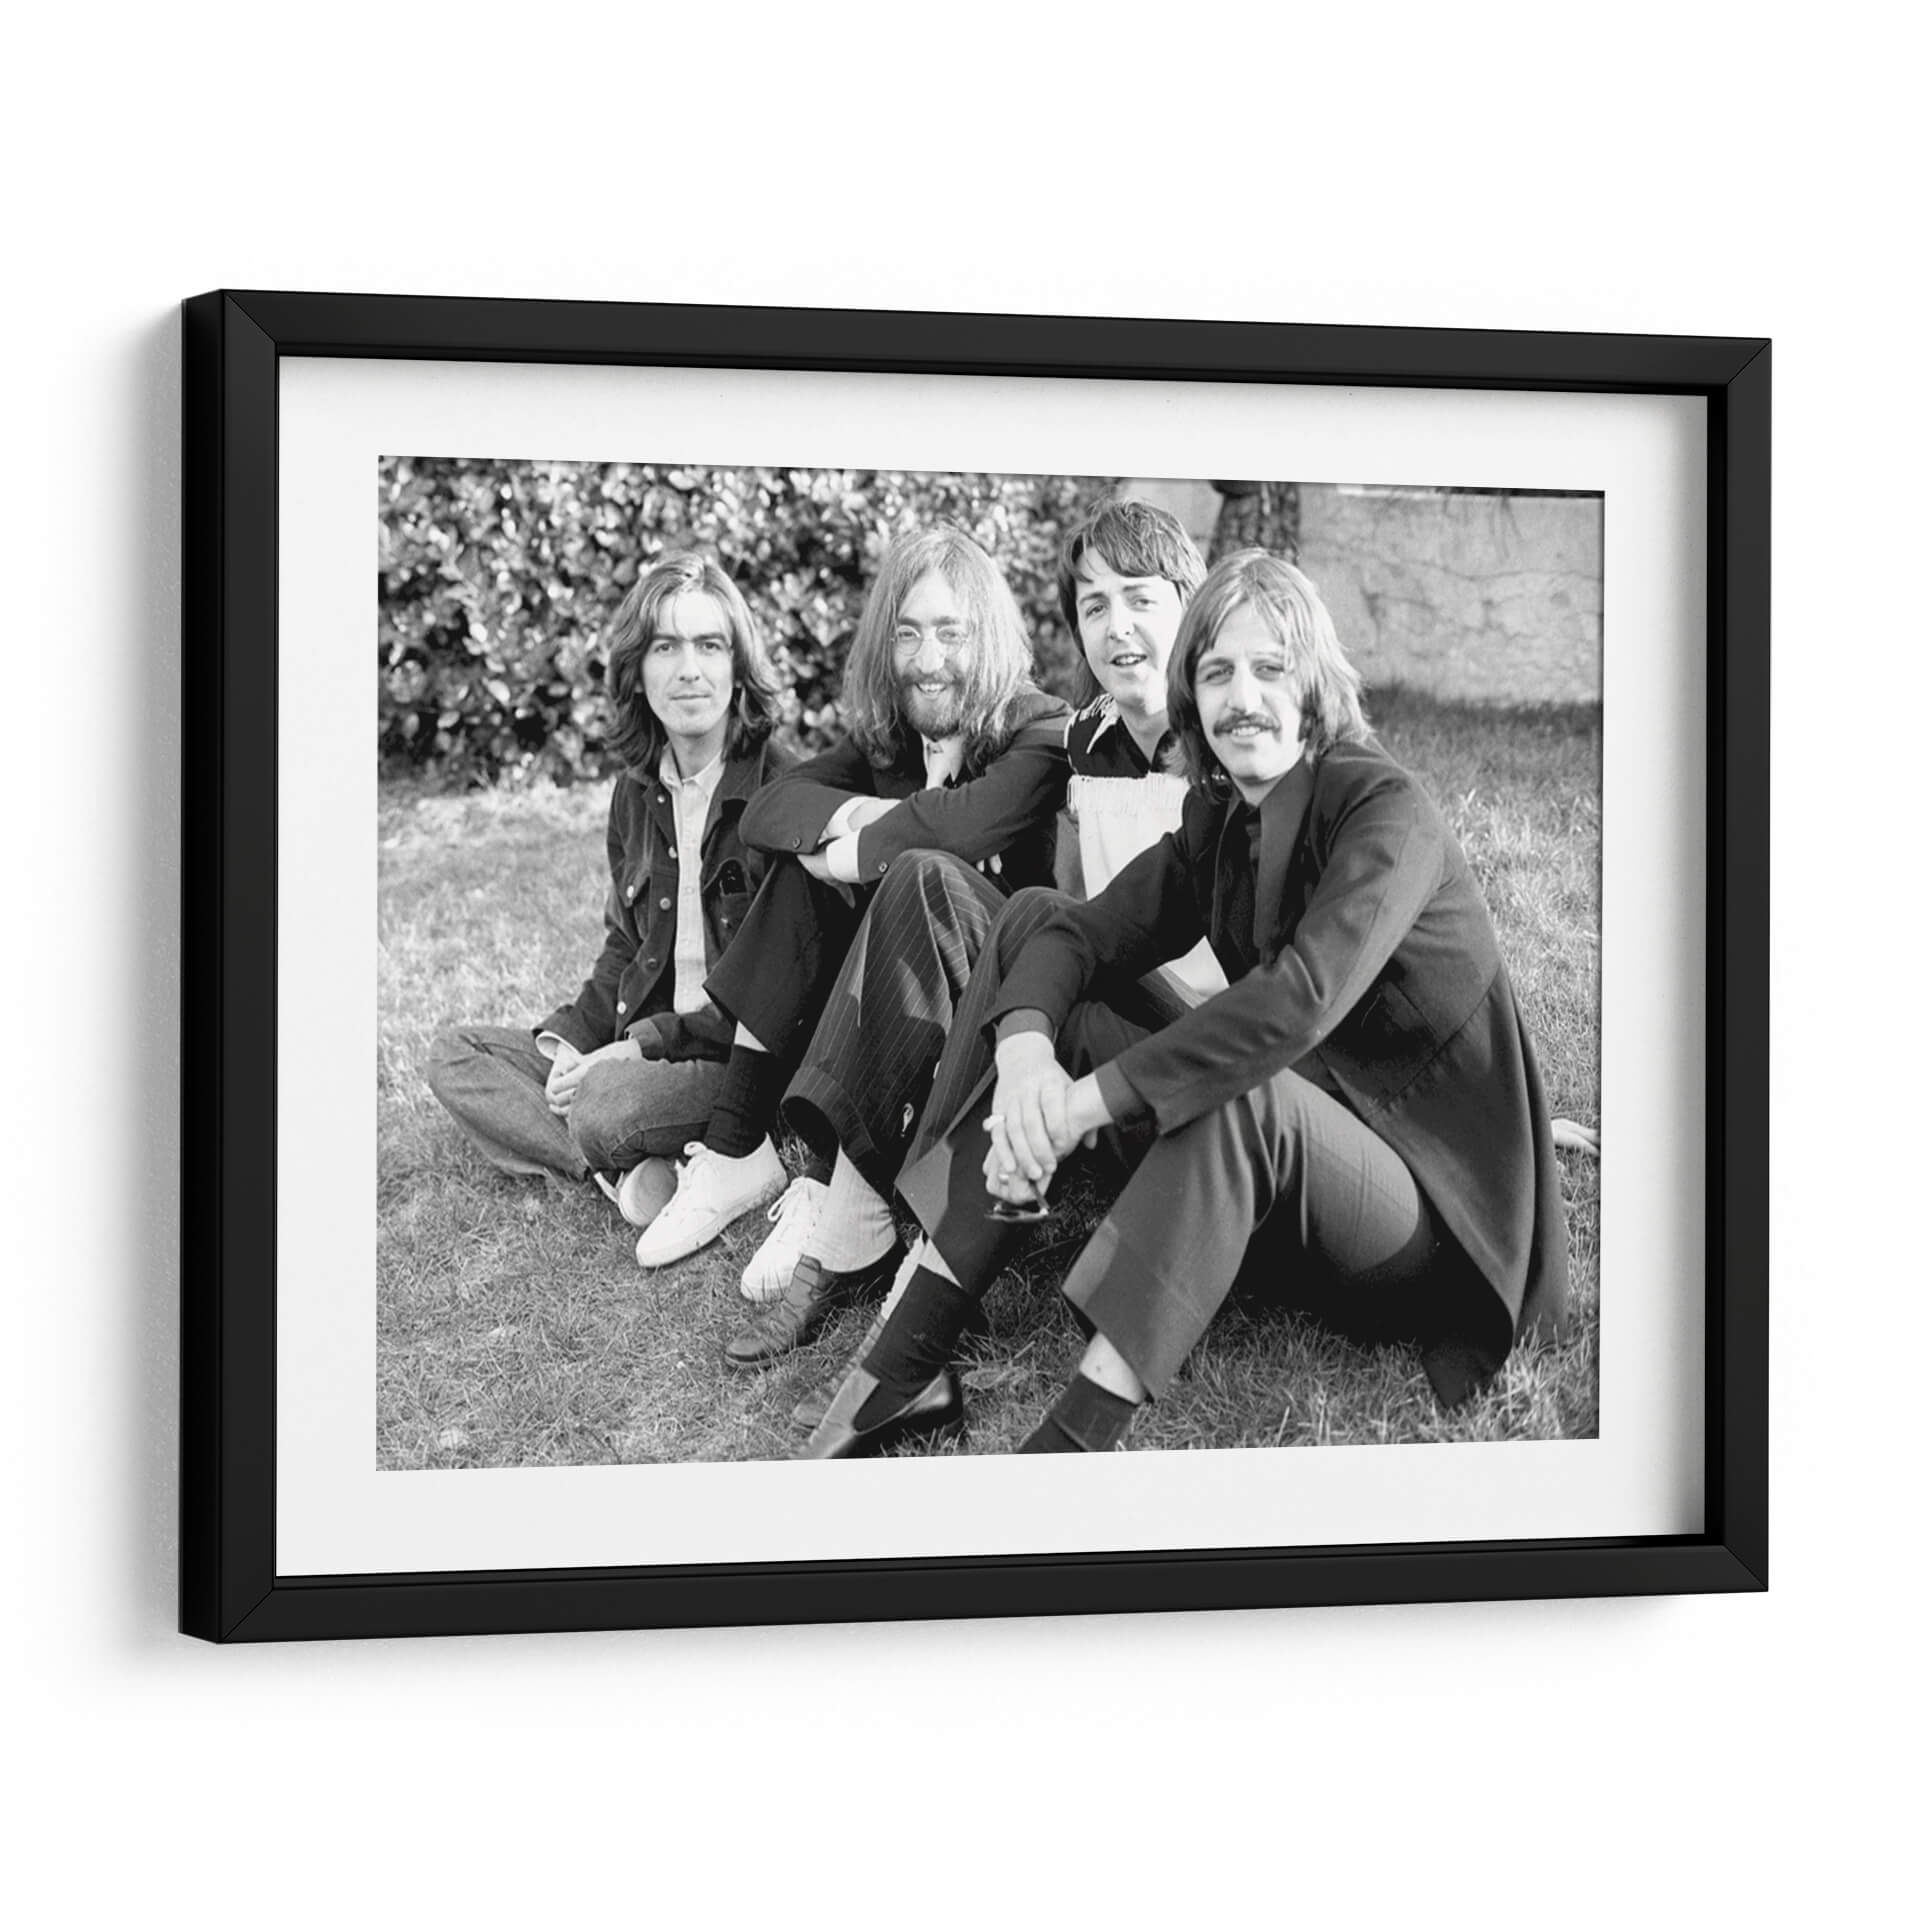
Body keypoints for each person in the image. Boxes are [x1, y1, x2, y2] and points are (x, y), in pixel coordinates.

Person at [800, 549, 1572, 1458]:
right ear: (1191, 695)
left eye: (1269, 668)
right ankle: (905, 1368)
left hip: (1420, 1221)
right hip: (1278, 1168)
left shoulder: (1384, 813)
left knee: (1245, 1089)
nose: (1243, 697)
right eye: (1217, 673)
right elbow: (1080, 933)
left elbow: (1293, 1007)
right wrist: (1026, 1060)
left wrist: (1079, 1107)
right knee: (1036, 918)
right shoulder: (1221, 814)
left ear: (1314, 683)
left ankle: (1065, 1453)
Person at [718, 498, 1218, 1378]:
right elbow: (1081, 904)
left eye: (1142, 600)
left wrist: (862, 848)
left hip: (1202, 1050)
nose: (1118, 627)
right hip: (1098, 1000)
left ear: (1192, 606)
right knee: (937, 884)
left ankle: (903, 1247)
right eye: (1095, 606)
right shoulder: (1092, 739)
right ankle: (853, 1225)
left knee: (995, 907)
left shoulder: (1224, 739)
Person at [629, 524, 1071, 1278]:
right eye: (907, 634)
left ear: (989, 636)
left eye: (951, 633)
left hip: (991, 1015)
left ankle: (829, 1181)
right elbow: (770, 809)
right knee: (805, 867)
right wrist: (859, 820)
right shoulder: (891, 742)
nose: (927, 660)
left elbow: (962, 825)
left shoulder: (1041, 728)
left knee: (892, 869)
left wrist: (854, 852)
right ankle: (737, 1149)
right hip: (886, 1003)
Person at [424, 553, 788, 1221]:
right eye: (665, 647)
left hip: (729, 1061)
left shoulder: (781, 793)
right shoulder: (635, 792)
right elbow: (625, 947)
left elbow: (778, 997)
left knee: (604, 1107)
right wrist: (572, 1047)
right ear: (637, 673)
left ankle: (619, 1144)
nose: (689, 669)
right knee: (457, 1055)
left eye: (710, 645)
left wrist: (631, 1051)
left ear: (738, 667)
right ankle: (622, 1176)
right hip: (635, 1050)